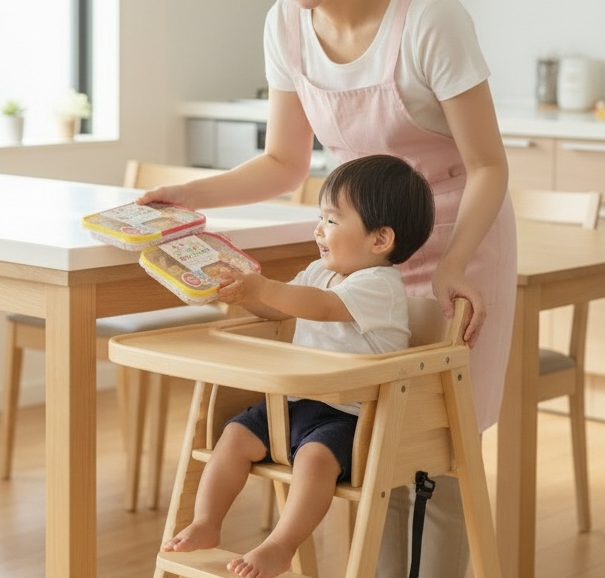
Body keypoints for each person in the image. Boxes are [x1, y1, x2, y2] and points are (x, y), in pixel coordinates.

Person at [139, 0, 517, 576]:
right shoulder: (285, 25)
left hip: (453, 243)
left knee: (430, 453)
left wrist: (457, 269)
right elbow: (284, 162)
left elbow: (488, 165)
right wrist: (189, 195)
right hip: (354, 251)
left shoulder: (429, 16)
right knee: (360, 443)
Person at [161, 154, 435, 578]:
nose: (318, 230)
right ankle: (206, 521)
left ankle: (280, 545)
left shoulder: (380, 286)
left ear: (380, 240)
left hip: (350, 415)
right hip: (295, 402)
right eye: (320, 218)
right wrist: (241, 293)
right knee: (232, 437)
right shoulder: (318, 273)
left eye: (332, 220)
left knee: (315, 461)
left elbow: (324, 310)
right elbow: (278, 311)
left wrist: (265, 286)